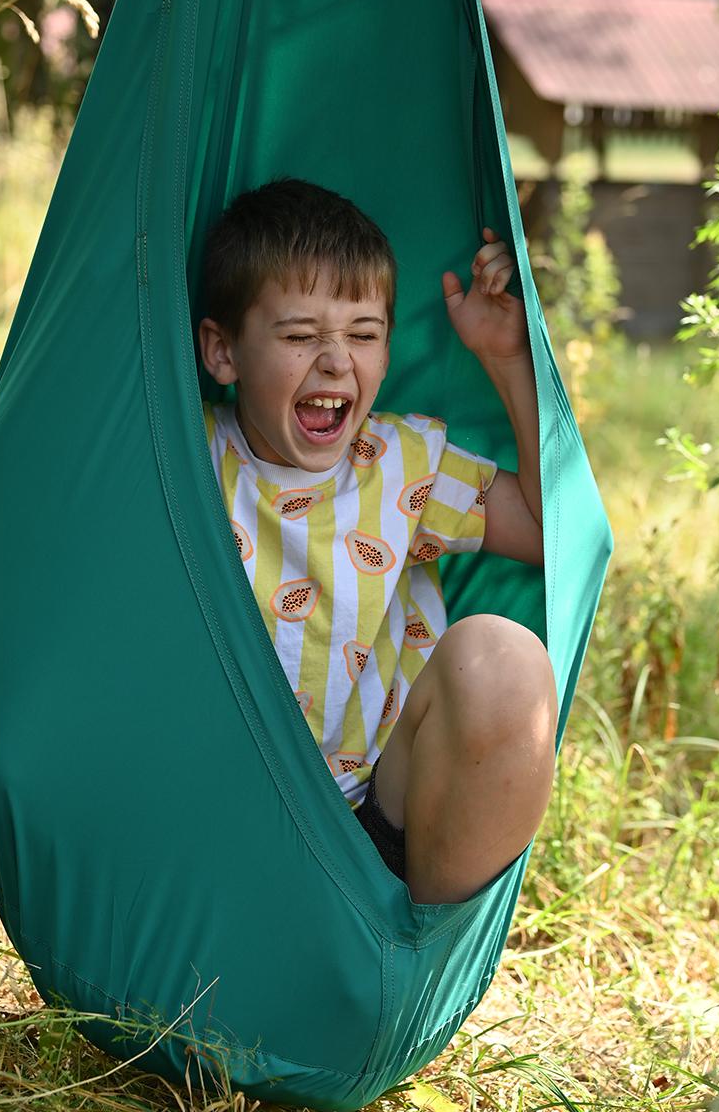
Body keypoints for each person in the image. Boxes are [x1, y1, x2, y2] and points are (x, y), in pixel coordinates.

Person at [197, 179, 557, 906]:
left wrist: (509, 361)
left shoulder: (402, 464)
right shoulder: (184, 455)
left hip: (374, 824)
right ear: (223, 351)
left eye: (363, 334)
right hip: (213, 826)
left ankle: (412, 958)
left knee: (506, 659)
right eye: (300, 336)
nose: (335, 362)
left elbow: (556, 534)